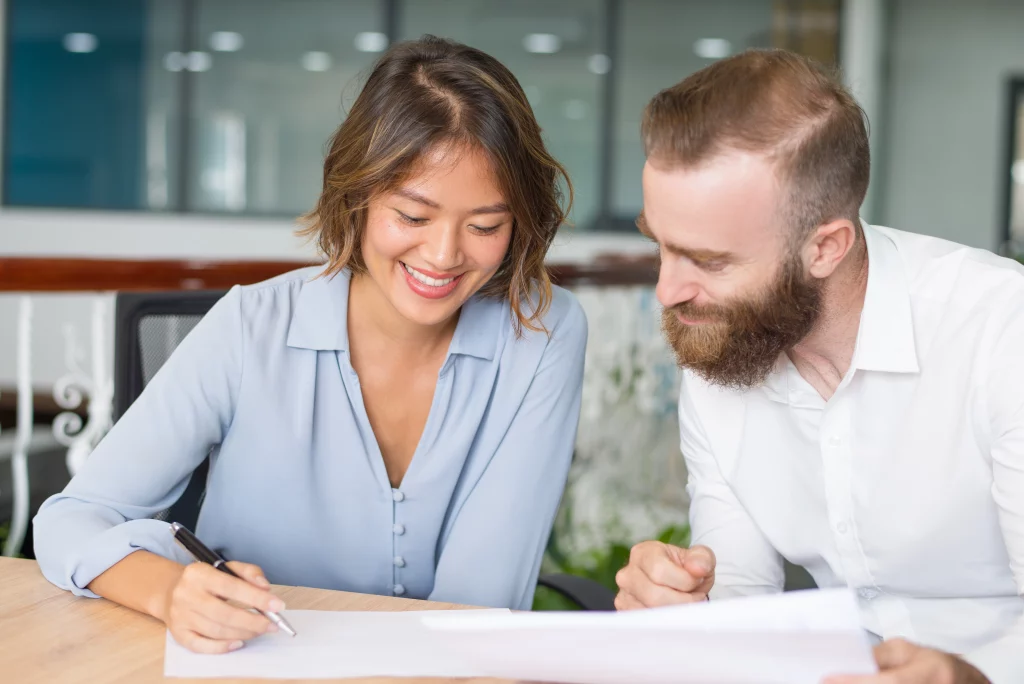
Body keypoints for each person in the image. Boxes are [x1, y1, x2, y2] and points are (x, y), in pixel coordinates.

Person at [33, 36, 587, 654]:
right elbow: (70, 518)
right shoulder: (251, 324)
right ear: (357, 196)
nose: (443, 256)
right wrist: (170, 591)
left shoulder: (541, 330)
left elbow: (478, 601)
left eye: (485, 226)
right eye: (412, 216)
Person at [614, 49, 1022, 684]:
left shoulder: (1001, 330)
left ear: (826, 247)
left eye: (710, 261)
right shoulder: (720, 342)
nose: (668, 291)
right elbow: (738, 593)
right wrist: (682, 600)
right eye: (658, 244)